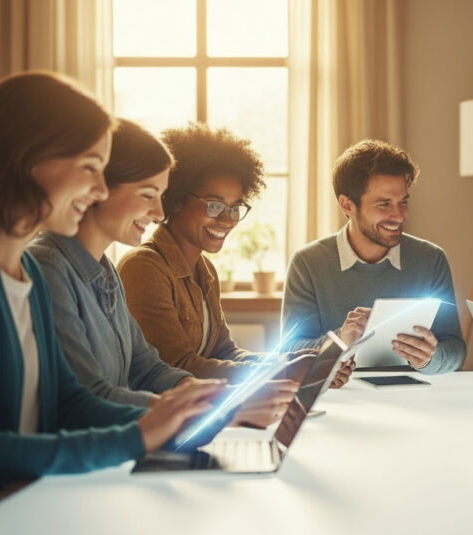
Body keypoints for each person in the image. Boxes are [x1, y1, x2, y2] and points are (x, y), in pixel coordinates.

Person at [0, 72, 225, 507]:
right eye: (90, 169)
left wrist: (185, 414)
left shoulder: (24, 268)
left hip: (28, 500)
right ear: (27, 157)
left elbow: (67, 401)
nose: (99, 190)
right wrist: (138, 435)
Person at [28, 120, 299, 426]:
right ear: (98, 188)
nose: (158, 212)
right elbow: (88, 398)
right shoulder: (50, 268)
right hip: (94, 450)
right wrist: (224, 408)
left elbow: (150, 368)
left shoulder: (106, 272)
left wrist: (236, 394)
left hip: (123, 439)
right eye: (148, 195)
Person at [118, 123, 349, 389]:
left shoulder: (205, 270)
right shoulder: (144, 268)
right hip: (165, 417)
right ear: (177, 198)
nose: (228, 220)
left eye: (235, 207)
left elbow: (225, 352)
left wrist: (291, 361)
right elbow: (176, 367)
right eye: (214, 206)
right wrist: (282, 372)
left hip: (200, 408)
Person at [281, 139, 465, 374]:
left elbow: (455, 350)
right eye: (384, 204)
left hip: (416, 398)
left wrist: (429, 359)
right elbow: (290, 351)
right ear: (347, 205)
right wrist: (341, 339)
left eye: (403, 202)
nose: (399, 216)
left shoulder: (431, 259)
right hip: (342, 396)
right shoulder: (307, 263)